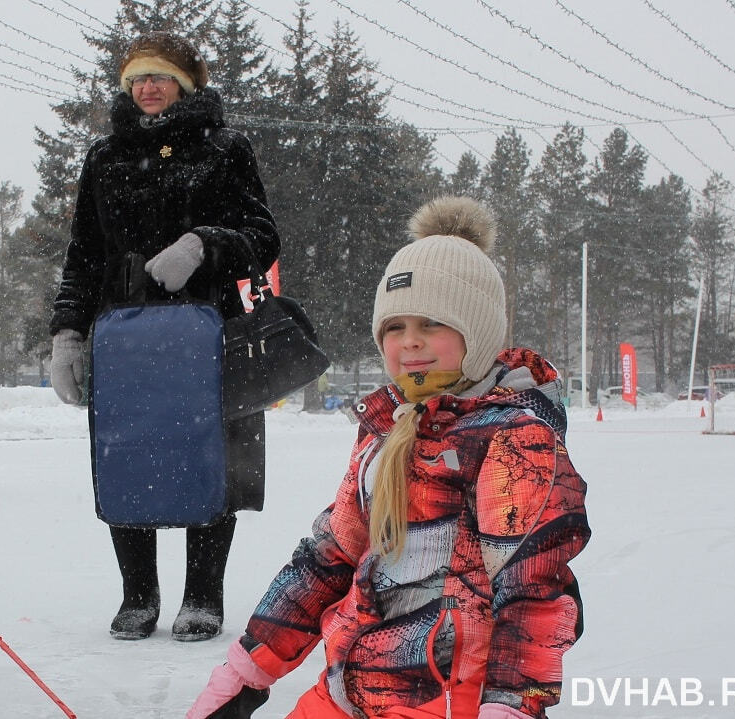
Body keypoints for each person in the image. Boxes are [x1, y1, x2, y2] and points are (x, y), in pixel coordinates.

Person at [186, 196, 591, 719]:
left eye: (432, 324)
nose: (411, 342)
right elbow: (330, 556)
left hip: (447, 700)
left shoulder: (514, 439)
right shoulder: (386, 426)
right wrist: (248, 671)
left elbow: (532, 595)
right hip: (349, 688)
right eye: (395, 326)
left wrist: (510, 707)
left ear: (480, 331)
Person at [48, 31, 280, 643]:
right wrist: (68, 332)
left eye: (160, 76)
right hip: (124, 330)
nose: (148, 87)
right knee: (128, 451)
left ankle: (202, 594)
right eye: (137, 78)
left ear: (186, 83)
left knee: (211, 456)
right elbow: (84, 254)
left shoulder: (226, 148)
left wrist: (204, 243)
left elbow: (262, 235)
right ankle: (139, 594)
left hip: (210, 324)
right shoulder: (104, 156)